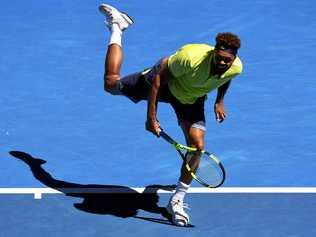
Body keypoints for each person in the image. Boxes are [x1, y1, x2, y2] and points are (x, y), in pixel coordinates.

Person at [98, 4, 243, 226]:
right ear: (214, 52)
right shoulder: (190, 58)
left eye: (228, 60)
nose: (224, 63)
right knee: (111, 85)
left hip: (190, 99)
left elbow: (226, 78)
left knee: (197, 146)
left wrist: (219, 101)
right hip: (164, 82)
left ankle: (176, 200)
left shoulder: (235, 67)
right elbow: (157, 82)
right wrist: (151, 118)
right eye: (220, 58)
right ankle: (117, 26)